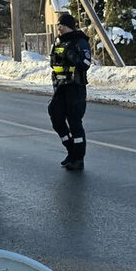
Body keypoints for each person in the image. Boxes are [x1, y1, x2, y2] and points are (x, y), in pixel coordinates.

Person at [47, 12, 91, 171]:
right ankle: (70, 150)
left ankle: (78, 158)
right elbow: (54, 62)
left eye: (62, 25)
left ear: (69, 27)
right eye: (58, 25)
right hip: (60, 88)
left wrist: (71, 54)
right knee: (55, 116)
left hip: (75, 87)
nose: (59, 28)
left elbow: (85, 63)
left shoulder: (80, 42)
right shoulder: (58, 42)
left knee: (74, 122)